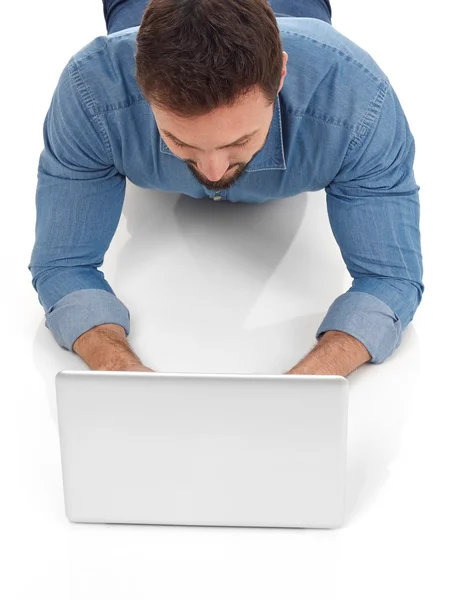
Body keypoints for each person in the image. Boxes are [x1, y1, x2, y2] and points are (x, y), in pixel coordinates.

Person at [28, 0, 424, 377]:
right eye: (181, 141)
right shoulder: (91, 92)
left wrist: (308, 385)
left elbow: (391, 279)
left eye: (239, 141)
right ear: (140, 85)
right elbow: (64, 266)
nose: (214, 172)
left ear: (281, 74)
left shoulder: (357, 103)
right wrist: (122, 371)